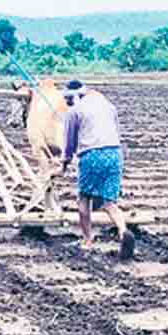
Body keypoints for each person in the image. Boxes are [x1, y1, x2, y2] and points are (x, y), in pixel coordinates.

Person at [59, 79, 135, 260]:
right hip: (114, 154)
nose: (67, 102)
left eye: (68, 99)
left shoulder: (73, 112)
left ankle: (87, 241)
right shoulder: (107, 105)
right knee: (108, 202)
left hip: (92, 155)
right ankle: (123, 231)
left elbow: (69, 144)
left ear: (74, 97)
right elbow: (116, 131)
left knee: (84, 198)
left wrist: (64, 164)